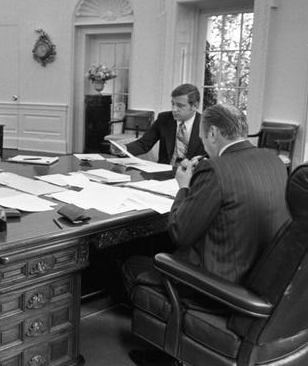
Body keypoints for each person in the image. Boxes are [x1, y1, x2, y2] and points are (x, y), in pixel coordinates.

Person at [122, 104, 290, 366]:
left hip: (217, 286)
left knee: (133, 265)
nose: (203, 143)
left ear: (213, 133)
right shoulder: (275, 162)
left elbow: (180, 232)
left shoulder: (215, 170)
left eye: (202, 137)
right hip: (259, 275)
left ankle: (168, 353)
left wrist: (184, 186)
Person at [115, 83, 206, 165]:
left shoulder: (206, 125)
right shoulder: (164, 119)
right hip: (164, 173)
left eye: (180, 105)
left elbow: (213, 157)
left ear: (195, 106)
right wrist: (123, 149)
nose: (174, 109)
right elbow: (144, 144)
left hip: (194, 176)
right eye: (173, 104)